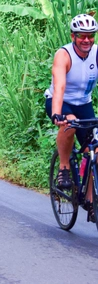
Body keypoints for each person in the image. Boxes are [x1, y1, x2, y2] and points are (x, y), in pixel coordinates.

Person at [45, 14, 98, 219]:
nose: (86, 40)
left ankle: (91, 201)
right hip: (60, 101)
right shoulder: (64, 54)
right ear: (73, 36)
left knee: (95, 150)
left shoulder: (95, 53)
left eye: (90, 36)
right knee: (70, 124)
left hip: (84, 103)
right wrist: (58, 113)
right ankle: (64, 166)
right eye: (81, 35)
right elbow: (59, 86)